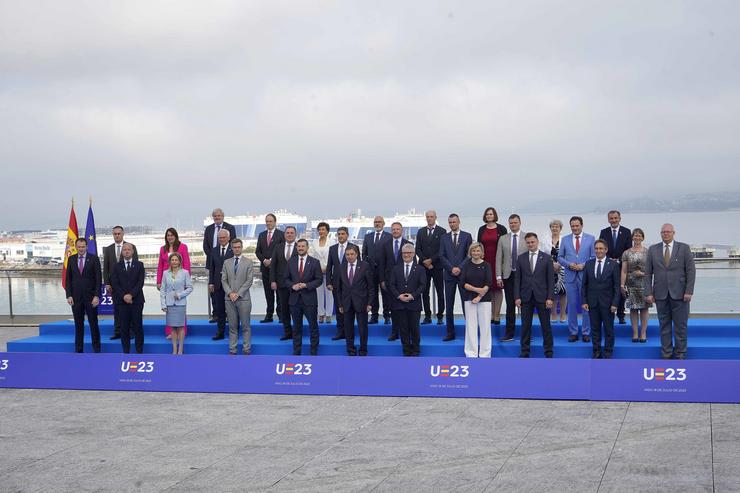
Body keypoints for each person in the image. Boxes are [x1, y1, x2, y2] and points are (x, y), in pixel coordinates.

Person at [645, 224, 696, 360]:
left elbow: (691, 271)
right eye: (663, 232)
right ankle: (666, 353)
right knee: (664, 326)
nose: (666, 234)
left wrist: (689, 291)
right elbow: (648, 273)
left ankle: (680, 353)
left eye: (668, 232)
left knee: (681, 326)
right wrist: (648, 293)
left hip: (680, 294)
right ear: (660, 234)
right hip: (660, 294)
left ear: (674, 233)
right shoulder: (653, 249)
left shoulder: (684, 248)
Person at [514, 233, 555, 358]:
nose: (530, 244)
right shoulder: (520, 258)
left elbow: (550, 280)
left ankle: (548, 351)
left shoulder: (547, 258)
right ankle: (525, 351)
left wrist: (550, 297)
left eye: (532, 242)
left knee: (546, 325)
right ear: (526, 243)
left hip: (542, 297)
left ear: (537, 242)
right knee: (525, 326)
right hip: (525, 297)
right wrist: (517, 297)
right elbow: (517, 280)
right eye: (528, 242)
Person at [558, 216, 595, 342]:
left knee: (585, 305)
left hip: (585, 277)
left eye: (577, 225)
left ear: (581, 225)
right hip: (570, 276)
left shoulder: (590, 238)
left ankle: (586, 332)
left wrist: (584, 265)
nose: (574, 228)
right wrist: (568, 264)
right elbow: (560, 257)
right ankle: (573, 332)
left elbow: (593, 256)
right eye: (572, 226)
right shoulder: (564, 239)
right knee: (572, 306)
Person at [581, 239, 621, 359]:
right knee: (595, 329)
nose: (598, 251)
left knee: (609, 330)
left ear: (606, 250)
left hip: (608, 304)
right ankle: (596, 352)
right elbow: (584, 285)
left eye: (601, 248)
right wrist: (584, 301)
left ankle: (608, 353)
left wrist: (615, 303)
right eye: (596, 248)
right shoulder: (588, 263)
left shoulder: (613, 264)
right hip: (592, 303)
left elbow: (617, 286)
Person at [285, 239, 324, 356]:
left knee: (313, 327)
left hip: (309, 300)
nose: (300, 248)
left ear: (307, 248)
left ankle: (314, 351)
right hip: (294, 300)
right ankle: (296, 352)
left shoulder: (315, 262)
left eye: (303, 246)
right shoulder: (290, 262)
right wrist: (292, 286)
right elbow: (285, 279)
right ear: (296, 248)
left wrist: (306, 285)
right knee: (296, 327)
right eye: (299, 246)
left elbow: (319, 280)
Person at [388, 244, 427, 356]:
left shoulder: (420, 269)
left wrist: (413, 295)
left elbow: (422, 285)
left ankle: (415, 350)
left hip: (414, 304)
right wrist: (398, 296)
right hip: (399, 304)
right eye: (404, 253)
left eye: (409, 253)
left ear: (413, 254)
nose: (406, 255)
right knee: (403, 329)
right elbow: (392, 284)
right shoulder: (396, 268)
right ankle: (406, 350)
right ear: (402, 254)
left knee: (415, 328)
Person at [438, 213, 472, 341]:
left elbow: (469, 255)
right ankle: (450, 333)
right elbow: (441, 256)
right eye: (450, 222)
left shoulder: (467, 236)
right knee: (449, 305)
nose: (452, 224)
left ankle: (470, 331)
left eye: (454, 222)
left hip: (463, 276)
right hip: (449, 275)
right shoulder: (444, 237)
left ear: (459, 222)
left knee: (466, 304)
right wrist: (451, 268)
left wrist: (460, 268)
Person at [336, 245, 375, 356]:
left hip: (362, 303)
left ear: (357, 254)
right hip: (346, 303)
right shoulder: (341, 267)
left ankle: (363, 349)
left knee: (363, 328)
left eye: (352, 254)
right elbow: (338, 288)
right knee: (348, 328)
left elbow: (371, 287)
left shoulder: (365, 266)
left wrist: (370, 303)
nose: (350, 256)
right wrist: (340, 304)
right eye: (347, 254)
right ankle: (350, 349)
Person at [65, 238, 102, 353]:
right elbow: (68, 280)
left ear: (86, 247)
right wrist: (69, 295)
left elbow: (98, 279)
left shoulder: (94, 259)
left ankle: (96, 348)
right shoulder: (71, 259)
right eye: (79, 247)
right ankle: (79, 349)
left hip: (91, 297)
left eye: (83, 247)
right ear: (76, 247)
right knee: (78, 324)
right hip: (75, 298)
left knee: (93, 323)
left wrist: (97, 296)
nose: (81, 249)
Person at [495, 214, 528, 342]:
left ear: (520, 222)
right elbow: (499, 259)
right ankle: (509, 333)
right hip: (508, 275)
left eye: (515, 222)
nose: (513, 225)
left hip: (524, 276)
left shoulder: (527, 237)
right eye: (511, 223)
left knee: (525, 305)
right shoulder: (503, 239)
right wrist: (499, 276)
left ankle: (526, 334)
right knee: (510, 306)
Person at [103, 226, 139, 340]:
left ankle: (131, 332)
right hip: (115, 286)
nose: (117, 235)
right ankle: (118, 331)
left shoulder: (131, 247)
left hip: (129, 285)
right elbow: (106, 268)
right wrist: (107, 283)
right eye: (115, 234)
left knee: (131, 309)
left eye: (119, 233)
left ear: (123, 234)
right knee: (117, 309)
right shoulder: (108, 249)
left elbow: (136, 266)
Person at [379, 222, 412, 340]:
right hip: (389, 282)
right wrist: (381, 280)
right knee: (393, 308)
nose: (395, 231)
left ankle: (406, 332)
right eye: (393, 229)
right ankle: (394, 332)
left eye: (397, 229)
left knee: (405, 308)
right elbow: (382, 263)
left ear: (402, 230)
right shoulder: (385, 245)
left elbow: (414, 265)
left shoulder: (409, 244)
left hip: (405, 281)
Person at [203, 208, 237, 323]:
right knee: (213, 289)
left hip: (229, 264)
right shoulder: (209, 229)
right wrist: (214, 256)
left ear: (223, 216)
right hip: (213, 263)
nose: (217, 217)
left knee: (228, 289)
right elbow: (206, 246)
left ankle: (228, 314)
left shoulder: (230, 228)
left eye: (219, 215)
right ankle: (216, 314)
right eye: (215, 216)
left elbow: (234, 245)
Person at [110, 243, 145, 354]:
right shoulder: (116, 266)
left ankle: (139, 351)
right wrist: (124, 295)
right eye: (124, 249)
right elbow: (114, 283)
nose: (126, 251)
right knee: (124, 328)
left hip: (137, 301)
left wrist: (131, 295)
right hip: (121, 302)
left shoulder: (140, 265)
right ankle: (126, 352)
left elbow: (140, 282)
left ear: (133, 251)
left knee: (138, 327)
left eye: (129, 249)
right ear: (122, 252)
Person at [156, 228, 191, 339]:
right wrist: (158, 281)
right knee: (169, 306)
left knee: (180, 306)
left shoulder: (183, 247)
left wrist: (186, 280)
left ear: (176, 236)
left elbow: (187, 264)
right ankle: (170, 332)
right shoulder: (163, 249)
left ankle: (182, 331)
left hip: (180, 280)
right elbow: (160, 265)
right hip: (167, 280)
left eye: (172, 235)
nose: (170, 237)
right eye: (168, 235)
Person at [221, 239, 254, 355]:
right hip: (229, 299)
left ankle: (246, 349)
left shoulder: (249, 262)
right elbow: (223, 280)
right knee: (232, 327)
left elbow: (249, 281)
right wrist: (230, 293)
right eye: (234, 247)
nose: (237, 249)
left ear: (242, 247)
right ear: (231, 248)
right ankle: (232, 350)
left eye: (239, 247)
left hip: (243, 299)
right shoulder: (226, 262)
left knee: (246, 326)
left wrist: (238, 293)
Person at [460, 242, 492, 358]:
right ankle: (471, 353)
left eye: (478, 251)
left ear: (482, 252)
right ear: (470, 252)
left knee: (485, 327)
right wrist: (476, 290)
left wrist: (479, 296)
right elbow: (462, 283)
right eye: (473, 250)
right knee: (470, 327)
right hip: (469, 299)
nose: (476, 253)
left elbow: (488, 283)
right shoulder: (466, 265)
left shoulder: (487, 265)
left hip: (485, 300)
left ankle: (485, 354)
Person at [599, 210, 632, 324]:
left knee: (621, 290)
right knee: (609, 291)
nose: (613, 220)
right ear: (608, 219)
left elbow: (628, 249)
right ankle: (609, 315)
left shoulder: (627, 232)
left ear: (619, 218)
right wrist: (609, 259)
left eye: (615, 218)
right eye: (611, 218)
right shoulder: (604, 232)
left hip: (622, 266)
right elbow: (601, 247)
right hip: (607, 266)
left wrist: (618, 260)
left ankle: (621, 315)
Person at [477, 207, 508, 324]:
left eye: (491, 214)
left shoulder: (501, 228)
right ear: (485, 216)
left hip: (498, 261)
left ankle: (497, 315)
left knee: (498, 289)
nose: (489, 216)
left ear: (494, 215)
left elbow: (505, 245)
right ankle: (490, 315)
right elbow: (479, 245)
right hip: (485, 262)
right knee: (488, 288)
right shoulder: (481, 229)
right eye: (487, 214)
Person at [415, 210, 446, 325]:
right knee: (424, 291)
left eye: (431, 217)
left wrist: (431, 260)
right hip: (423, 267)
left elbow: (442, 250)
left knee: (440, 291)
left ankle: (440, 316)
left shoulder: (442, 231)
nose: (429, 218)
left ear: (435, 217)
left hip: (437, 266)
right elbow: (418, 248)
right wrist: (425, 261)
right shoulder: (421, 232)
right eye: (427, 217)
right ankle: (427, 315)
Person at [621, 228, 651, 342]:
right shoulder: (626, 253)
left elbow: (652, 270)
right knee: (633, 309)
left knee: (644, 309)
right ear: (632, 237)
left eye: (639, 236)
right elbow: (624, 271)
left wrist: (642, 273)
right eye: (635, 235)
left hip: (644, 283)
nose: (637, 237)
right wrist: (622, 285)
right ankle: (635, 333)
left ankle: (643, 334)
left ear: (643, 237)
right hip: (631, 284)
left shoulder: (648, 252)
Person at [326, 226, 356, 340]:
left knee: (350, 309)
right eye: (339, 234)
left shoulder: (354, 247)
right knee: (339, 308)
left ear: (347, 235)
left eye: (343, 234)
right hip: (336, 284)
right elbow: (329, 267)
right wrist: (329, 281)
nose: (340, 236)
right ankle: (340, 332)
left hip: (350, 283)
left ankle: (350, 332)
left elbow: (359, 266)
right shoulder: (332, 248)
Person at [159, 252, 193, 355]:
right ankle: (174, 349)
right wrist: (163, 304)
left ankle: (180, 349)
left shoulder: (185, 273)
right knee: (172, 327)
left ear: (179, 261)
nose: (174, 262)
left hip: (180, 303)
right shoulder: (165, 273)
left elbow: (190, 287)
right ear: (170, 261)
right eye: (172, 260)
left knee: (181, 327)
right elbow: (163, 290)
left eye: (176, 260)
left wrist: (180, 295)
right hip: (169, 304)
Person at [362, 216, 391, 324]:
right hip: (370, 271)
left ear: (383, 223)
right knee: (372, 293)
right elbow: (364, 254)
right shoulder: (368, 237)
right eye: (375, 222)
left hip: (384, 271)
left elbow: (390, 254)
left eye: (379, 222)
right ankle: (374, 316)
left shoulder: (389, 236)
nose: (377, 224)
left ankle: (387, 316)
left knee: (386, 293)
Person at [255, 213, 284, 323]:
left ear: (275, 222)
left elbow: (282, 250)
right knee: (268, 293)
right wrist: (264, 260)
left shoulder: (281, 235)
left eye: (270, 221)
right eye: (267, 221)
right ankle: (269, 315)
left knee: (280, 294)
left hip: (278, 269)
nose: (268, 223)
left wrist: (272, 260)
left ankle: (281, 315)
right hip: (265, 269)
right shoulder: (261, 235)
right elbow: (257, 251)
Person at [270, 226, 297, 341]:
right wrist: (273, 281)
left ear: (295, 235)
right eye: (287, 233)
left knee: (295, 310)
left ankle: (297, 332)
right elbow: (273, 266)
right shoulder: (278, 247)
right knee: (284, 309)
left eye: (292, 233)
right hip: (281, 284)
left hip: (296, 284)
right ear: (284, 235)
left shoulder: (300, 246)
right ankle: (287, 332)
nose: (289, 235)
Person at [207, 229, 233, 340]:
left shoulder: (233, 250)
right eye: (219, 238)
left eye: (223, 237)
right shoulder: (214, 250)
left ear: (228, 238)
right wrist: (211, 282)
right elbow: (211, 268)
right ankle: (220, 332)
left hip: (231, 285)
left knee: (232, 310)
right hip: (217, 285)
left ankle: (234, 333)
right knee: (220, 310)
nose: (221, 239)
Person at [540, 219, 567, 323]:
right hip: (549, 268)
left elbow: (567, 254)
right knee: (552, 292)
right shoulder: (545, 239)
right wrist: (551, 264)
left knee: (563, 292)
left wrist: (560, 264)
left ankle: (563, 314)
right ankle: (554, 314)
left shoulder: (564, 239)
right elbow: (542, 254)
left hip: (562, 269)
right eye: (553, 226)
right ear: (550, 228)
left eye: (557, 226)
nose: (554, 228)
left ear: (560, 228)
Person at [309, 222, 334, 324]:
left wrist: (327, 268)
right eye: (319, 230)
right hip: (317, 271)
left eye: (323, 229)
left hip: (329, 271)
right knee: (319, 294)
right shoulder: (314, 242)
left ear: (327, 231)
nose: (321, 231)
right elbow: (312, 256)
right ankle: (321, 314)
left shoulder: (332, 242)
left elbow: (333, 257)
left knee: (329, 293)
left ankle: (328, 315)